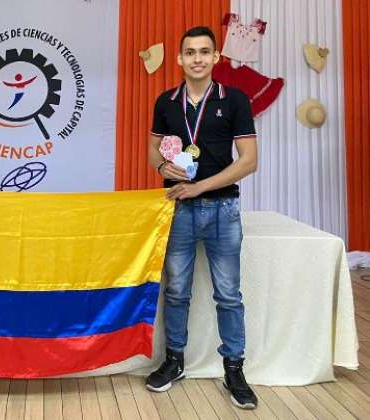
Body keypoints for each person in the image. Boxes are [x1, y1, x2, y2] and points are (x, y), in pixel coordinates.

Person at [145, 26, 259, 410]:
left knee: (228, 294)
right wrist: (162, 164)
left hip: (223, 209)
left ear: (216, 58)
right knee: (176, 291)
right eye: (190, 52)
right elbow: (152, 151)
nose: (197, 58)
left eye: (204, 52)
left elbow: (249, 161)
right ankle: (174, 360)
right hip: (177, 209)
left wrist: (200, 186)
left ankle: (234, 367)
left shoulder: (235, 100)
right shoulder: (166, 101)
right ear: (179, 59)